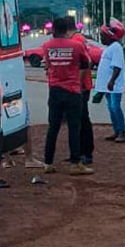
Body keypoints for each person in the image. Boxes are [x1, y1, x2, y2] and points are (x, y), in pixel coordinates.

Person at [41, 17, 93, 175]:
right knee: (74, 128)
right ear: (67, 30)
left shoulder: (46, 46)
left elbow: (48, 65)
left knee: (53, 127)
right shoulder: (76, 45)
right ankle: (75, 163)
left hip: (55, 90)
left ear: (54, 30)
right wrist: (77, 77)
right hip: (73, 90)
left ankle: (48, 163)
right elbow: (87, 63)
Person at [95, 18, 125, 144]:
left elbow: (117, 66)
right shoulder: (110, 47)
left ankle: (121, 132)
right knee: (111, 107)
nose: (101, 38)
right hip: (108, 85)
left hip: (114, 85)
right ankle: (116, 130)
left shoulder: (116, 48)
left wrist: (112, 81)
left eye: (103, 35)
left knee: (115, 107)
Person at [70, 31, 96, 164]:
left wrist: (79, 83)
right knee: (78, 120)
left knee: (82, 119)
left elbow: (87, 62)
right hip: (82, 85)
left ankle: (86, 153)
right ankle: (80, 152)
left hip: (82, 87)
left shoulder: (76, 40)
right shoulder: (79, 38)